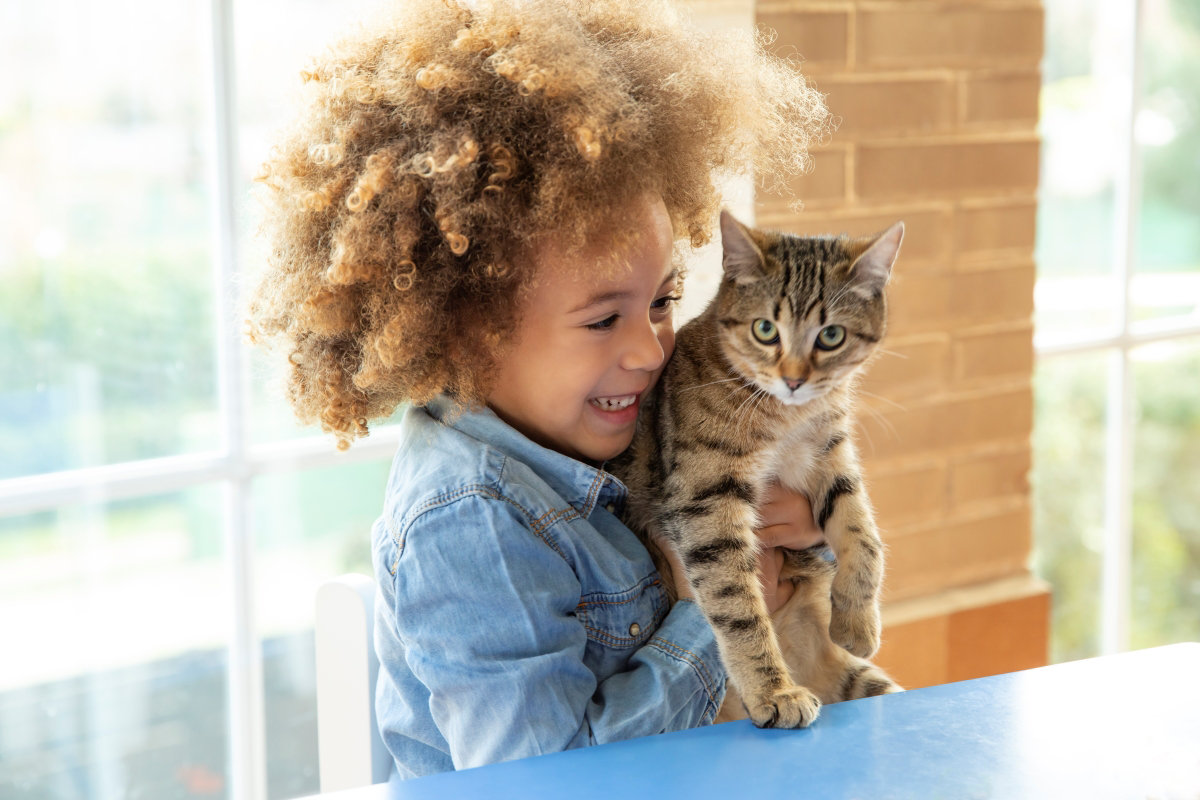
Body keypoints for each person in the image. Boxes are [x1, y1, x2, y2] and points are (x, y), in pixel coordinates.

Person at [246, 0, 830, 779]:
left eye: (663, 300)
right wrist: (707, 617)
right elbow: (544, 782)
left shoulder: (611, 423)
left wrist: (796, 532)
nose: (650, 349)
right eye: (601, 321)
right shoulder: (470, 525)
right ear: (466, 327)